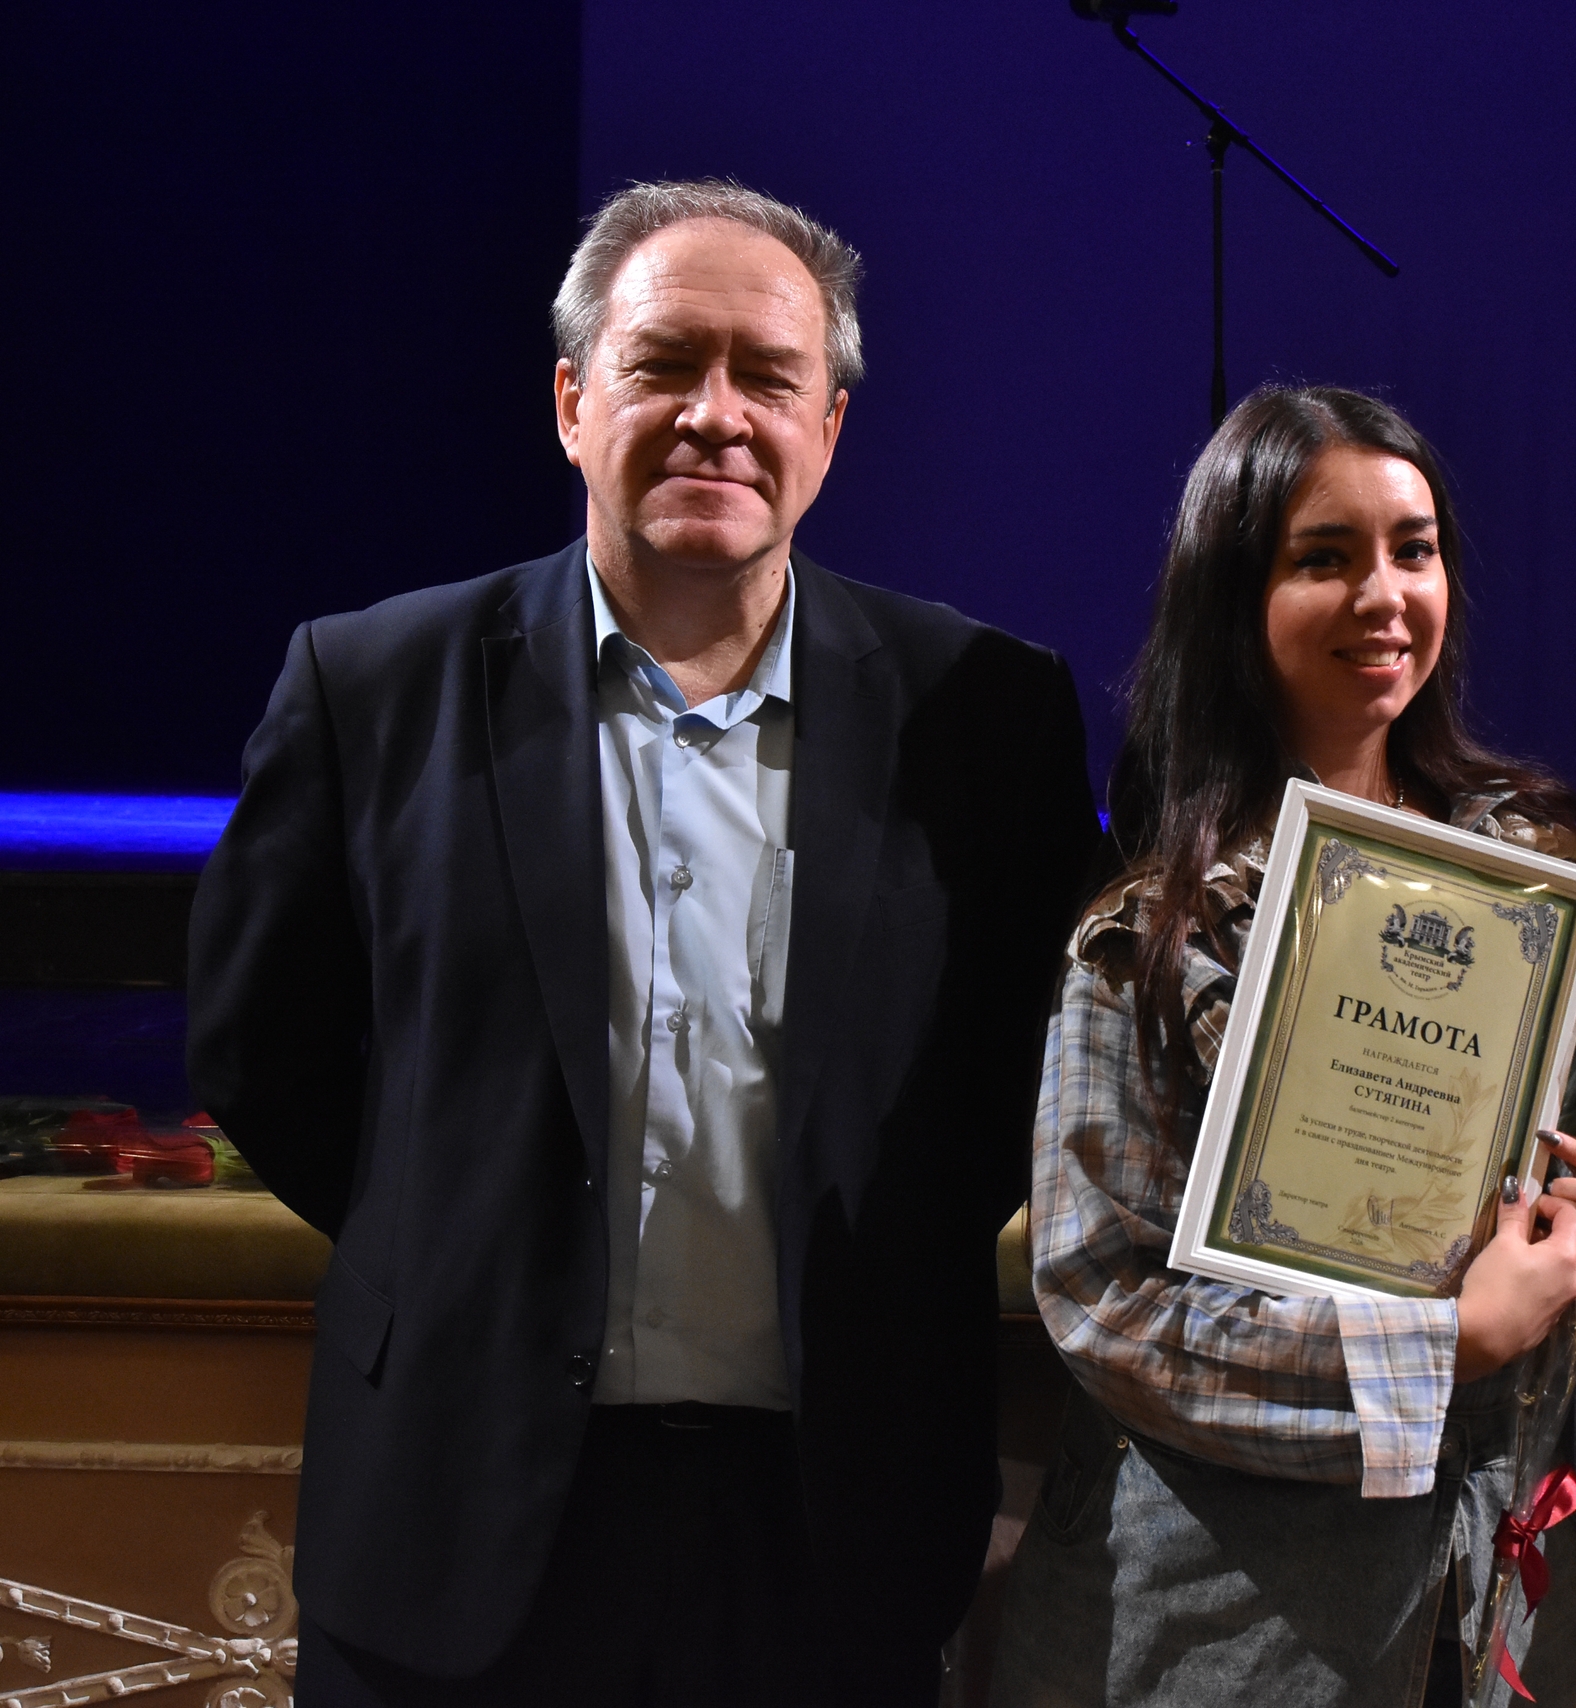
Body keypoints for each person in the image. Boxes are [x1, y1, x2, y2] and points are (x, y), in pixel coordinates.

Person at [187, 179, 1097, 1705]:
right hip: (452, 1520)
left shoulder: (984, 715)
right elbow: (255, 1045)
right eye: (665, 364)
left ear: (829, 431)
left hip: (831, 1526)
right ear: (572, 402)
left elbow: (1033, 1075)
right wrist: (458, 1238)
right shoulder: (373, 685)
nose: (714, 416)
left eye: (768, 378)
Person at [988, 385, 1576, 1708]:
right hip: (1226, 1639)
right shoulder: (1151, 936)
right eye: (1324, 558)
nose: (1384, 596)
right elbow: (1105, 1301)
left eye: (1415, 549)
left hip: (1496, 1617)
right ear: (1236, 595)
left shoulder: (1541, 885)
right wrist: (1441, 1344)